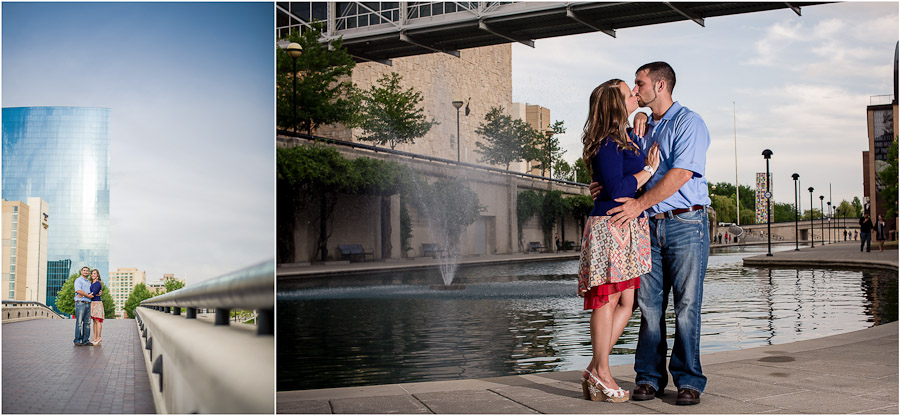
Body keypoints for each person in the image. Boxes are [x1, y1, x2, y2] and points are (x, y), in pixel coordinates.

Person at [591, 61, 711, 405]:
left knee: (687, 305)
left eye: (639, 83)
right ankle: (648, 377)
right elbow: (614, 166)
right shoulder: (641, 128)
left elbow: (681, 174)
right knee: (648, 305)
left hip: (685, 223)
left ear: (659, 86)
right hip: (646, 226)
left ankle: (689, 380)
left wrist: (638, 204)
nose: (635, 88)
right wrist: (600, 188)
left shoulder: (689, 123)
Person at [577, 78, 660, 403]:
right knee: (608, 300)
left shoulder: (624, 137)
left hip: (627, 225)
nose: (635, 94)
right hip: (611, 225)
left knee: (626, 301)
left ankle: (595, 368)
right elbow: (614, 188)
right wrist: (648, 171)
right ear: (616, 104)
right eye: (629, 94)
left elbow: (610, 181)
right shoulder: (609, 141)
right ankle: (602, 371)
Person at [73, 266, 94, 346]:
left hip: (88, 304)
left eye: (87, 271)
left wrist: (99, 292)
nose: (85, 272)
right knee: (79, 323)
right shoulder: (78, 280)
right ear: (81, 272)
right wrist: (87, 295)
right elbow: (78, 290)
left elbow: (91, 292)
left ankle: (85, 340)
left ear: (88, 273)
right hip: (80, 303)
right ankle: (77, 340)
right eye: (84, 270)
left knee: (87, 323)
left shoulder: (89, 282)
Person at [89, 269, 105, 345]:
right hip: (92, 303)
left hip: (97, 303)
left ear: (97, 275)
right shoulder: (91, 283)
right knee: (94, 321)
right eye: (92, 273)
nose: (93, 275)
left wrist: (83, 295)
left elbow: (93, 293)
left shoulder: (98, 283)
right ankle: (94, 338)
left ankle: (99, 338)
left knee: (98, 320)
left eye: (94, 273)